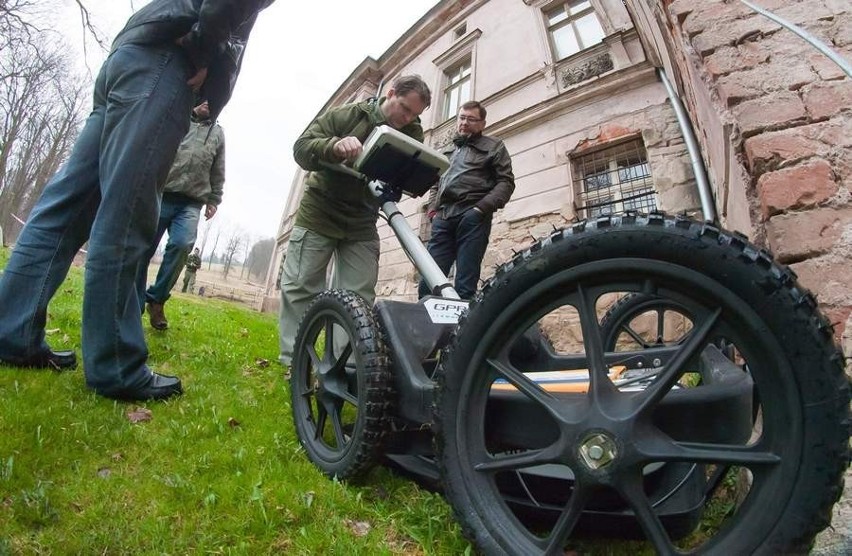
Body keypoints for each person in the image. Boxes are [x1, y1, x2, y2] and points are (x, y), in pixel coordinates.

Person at [0, 0, 274, 401]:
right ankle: (116, 365)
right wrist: (202, 51)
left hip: (129, 54)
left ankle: (12, 330)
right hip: (166, 62)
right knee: (128, 211)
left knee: (65, 207)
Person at [277, 75, 432, 367]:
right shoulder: (349, 114)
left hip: (362, 219)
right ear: (391, 93)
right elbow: (302, 148)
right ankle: (295, 362)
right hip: (320, 210)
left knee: (357, 296)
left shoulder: (412, 134)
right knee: (301, 286)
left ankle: (344, 366)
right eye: (404, 108)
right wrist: (334, 145)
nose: (407, 118)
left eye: (414, 114)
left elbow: (402, 178)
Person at [139, 100, 224, 330]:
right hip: (161, 192)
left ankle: (156, 299)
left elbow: (218, 168)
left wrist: (214, 198)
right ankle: (134, 299)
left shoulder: (217, 132)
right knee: (143, 247)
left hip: (192, 201)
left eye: (213, 98)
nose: (208, 102)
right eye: (204, 98)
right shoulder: (176, 118)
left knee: (182, 244)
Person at [419, 101, 515, 300]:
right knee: (429, 281)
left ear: (482, 123)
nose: (464, 123)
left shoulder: (494, 146)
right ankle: (423, 327)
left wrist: (480, 210)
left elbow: (506, 183)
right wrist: (432, 212)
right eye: (461, 118)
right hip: (443, 218)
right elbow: (436, 183)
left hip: (472, 218)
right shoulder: (448, 150)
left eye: (471, 119)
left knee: (465, 284)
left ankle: (461, 330)